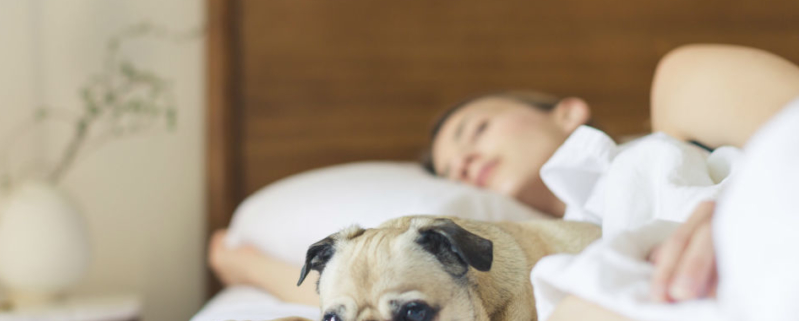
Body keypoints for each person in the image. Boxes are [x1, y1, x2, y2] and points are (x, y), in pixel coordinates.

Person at [208, 44, 799, 318]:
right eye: (446, 169)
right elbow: (370, 290)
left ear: (567, 112)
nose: (461, 162)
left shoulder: (677, 114)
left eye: (476, 128)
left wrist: (738, 214)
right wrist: (244, 267)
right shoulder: (547, 269)